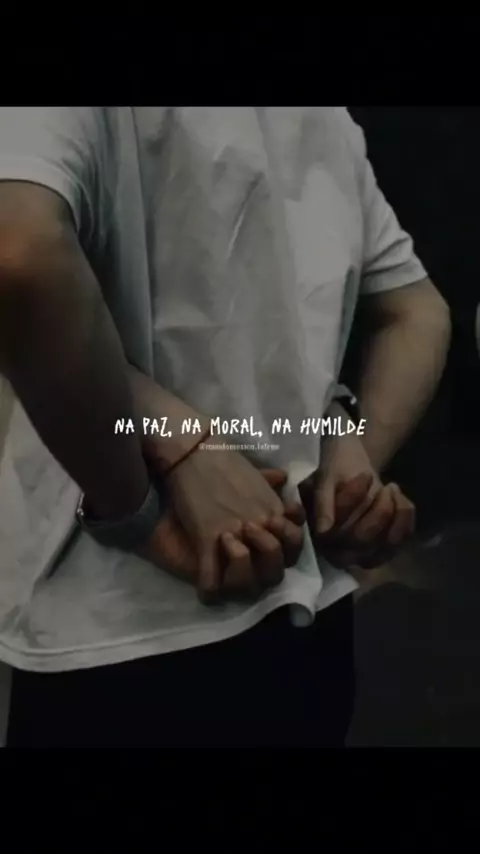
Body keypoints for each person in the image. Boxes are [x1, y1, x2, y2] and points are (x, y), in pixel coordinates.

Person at [0, 107, 450, 747]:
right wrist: (341, 469)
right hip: (302, 618)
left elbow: (18, 254)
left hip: (120, 626)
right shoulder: (326, 118)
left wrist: (136, 512)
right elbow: (418, 309)